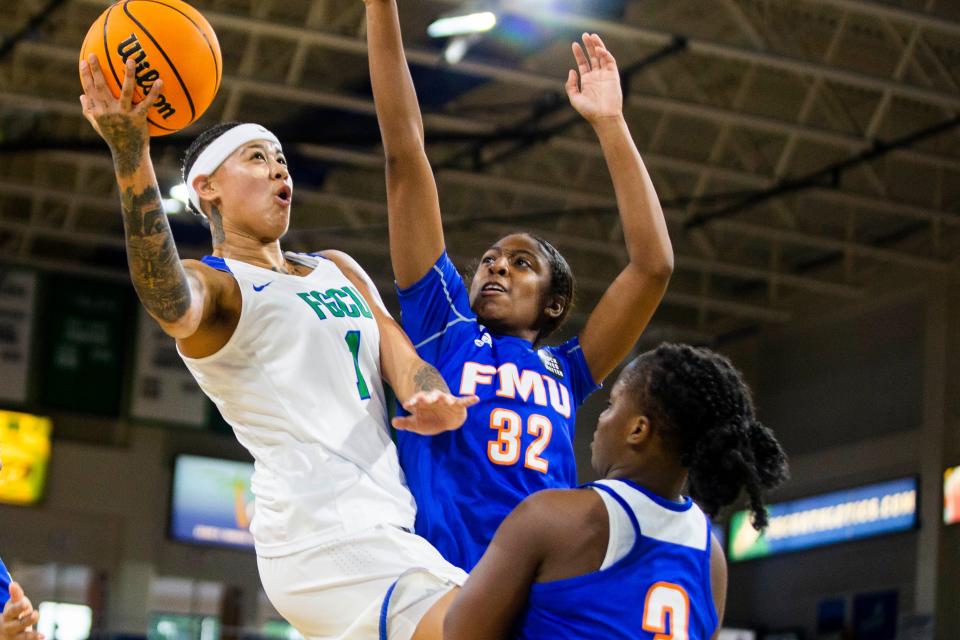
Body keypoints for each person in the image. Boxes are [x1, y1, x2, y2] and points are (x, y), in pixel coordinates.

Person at [79, 55, 479, 640]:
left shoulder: (337, 269)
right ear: (206, 188)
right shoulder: (219, 287)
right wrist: (131, 156)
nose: (277, 170)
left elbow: (402, 357)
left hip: (387, 521)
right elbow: (165, 297)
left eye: (281, 159)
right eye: (257, 158)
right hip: (317, 532)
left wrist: (432, 395)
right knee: (487, 622)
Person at [365, 0, 675, 573]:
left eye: (520, 262)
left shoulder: (570, 368)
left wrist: (611, 126)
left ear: (555, 303)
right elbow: (405, 157)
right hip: (443, 579)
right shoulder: (443, 322)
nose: (496, 267)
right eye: (487, 260)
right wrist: (380, 9)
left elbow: (652, 267)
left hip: (541, 589)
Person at [445, 344, 790, 639]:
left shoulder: (553, 517)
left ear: (638, 429)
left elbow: (458, 633)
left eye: (611, 405)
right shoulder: (710, 555)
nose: (601, 419)